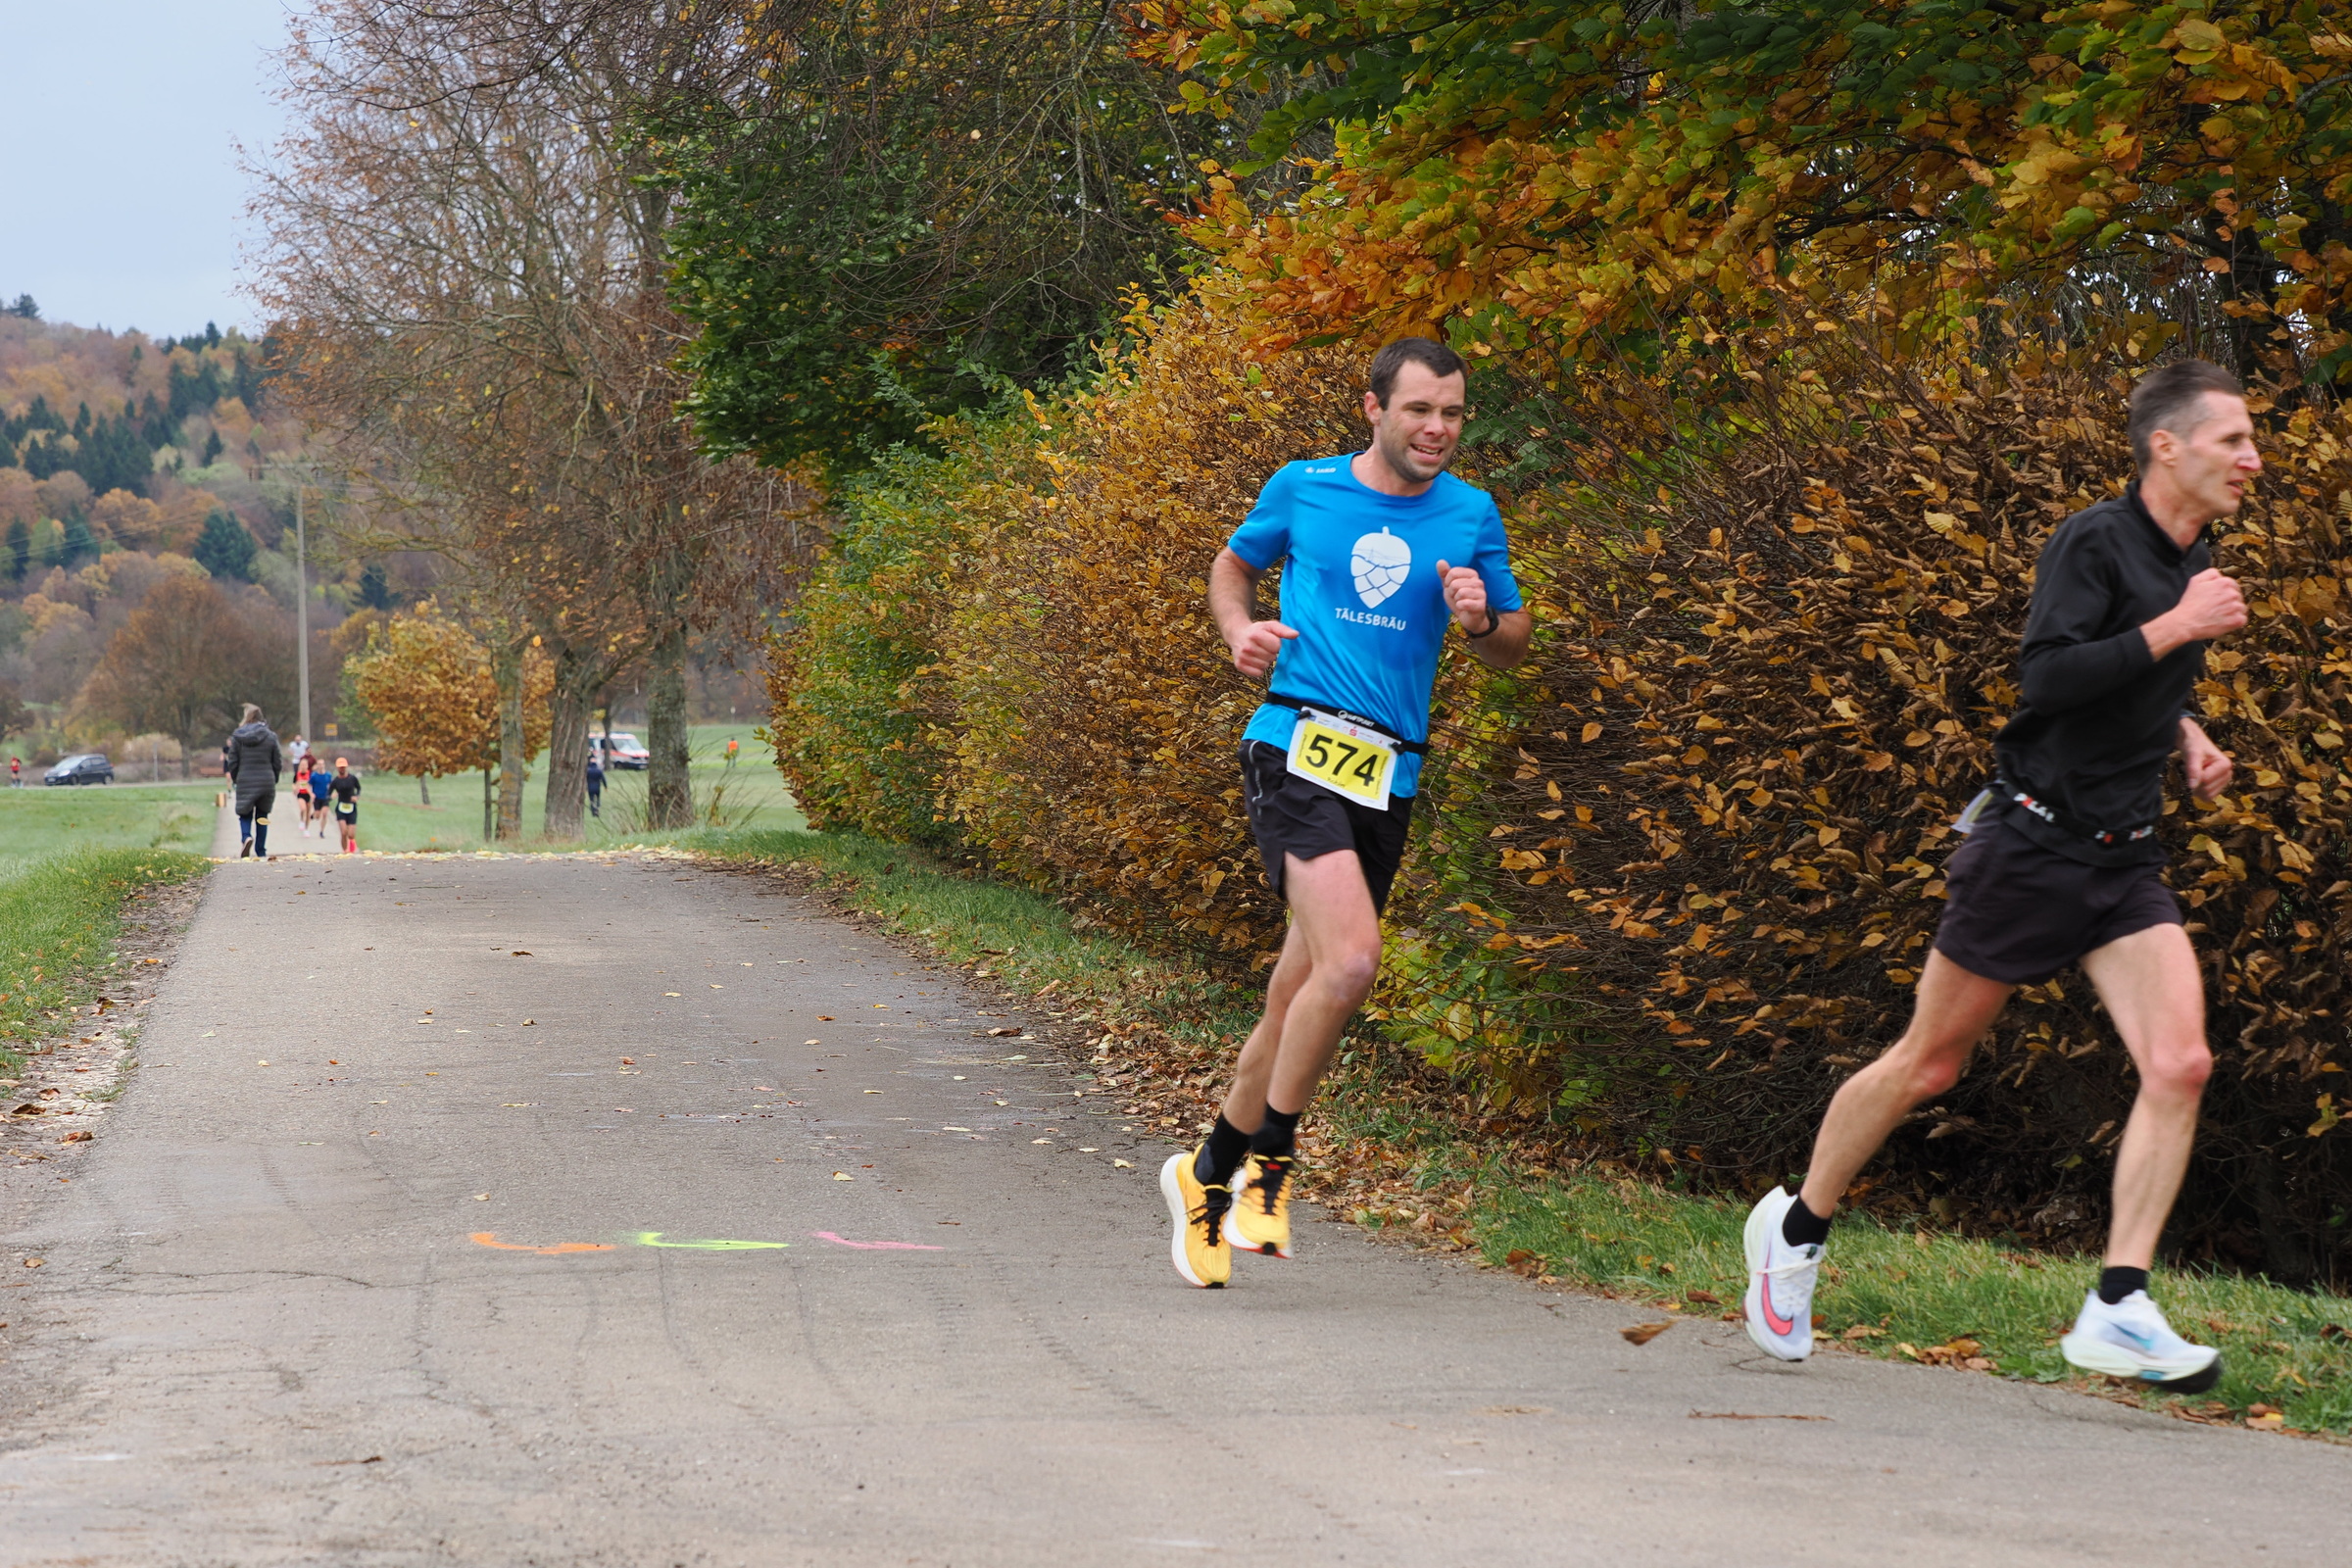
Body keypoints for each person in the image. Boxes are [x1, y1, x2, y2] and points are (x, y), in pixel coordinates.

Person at [1741, 359, 2260, 1392]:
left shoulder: (2193, 556)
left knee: (2182, 1063)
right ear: (2167, 447)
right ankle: (1795, 1231)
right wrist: (2180, 626)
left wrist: (2187, 735)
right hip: (2030, 844)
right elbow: (2049, 676)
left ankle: (2119, 1305)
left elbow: (2132, 684)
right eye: (2232, 439)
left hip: (2123, 858)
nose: (2252, 458)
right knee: (1930, 1065)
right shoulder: (2095, 540)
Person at [1162, 338, 1531, 1288]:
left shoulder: (1471, 514)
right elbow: (1231, 568)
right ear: (1374, 409)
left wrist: (1481, 620)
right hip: (1294, 742)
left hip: (1388, 775)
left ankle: (1205, 1172)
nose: (1437, 429)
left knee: (1297, 994)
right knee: (1355, 960)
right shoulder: (1307, 487)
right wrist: (1240, 630)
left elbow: (1511, 644)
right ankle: (1271, 1170)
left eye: (1452, 413)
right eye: (1419, 410)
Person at [226, 705, 285, 859]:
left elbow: (232, 761)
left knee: (244, 813)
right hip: (266, 779)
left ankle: (246, 837)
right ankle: (261, 850)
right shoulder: (270, 736)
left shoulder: (238, 736)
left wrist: (236, 778)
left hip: (245, 778)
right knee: (262, 815)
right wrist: (274, 777)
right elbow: (277, 761)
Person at [327, 758, 361, 854]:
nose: (342, 769)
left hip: (351, 807)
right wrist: (331, 797)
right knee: (343, 832)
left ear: (346, 767)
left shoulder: (352, 778)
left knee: (351, 834)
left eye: (343, 767)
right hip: (341, 808)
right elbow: (328, 794)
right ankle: (345, 851)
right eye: (340, 767)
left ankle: (352, 846)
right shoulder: (335, 781)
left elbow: (358, 788)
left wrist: (356, 796)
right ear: (337, 768)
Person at [293, 752, 317, 834]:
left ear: (307, 766)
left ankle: (306, 829)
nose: (303, 766)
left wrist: (312, 793)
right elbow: (294, 783)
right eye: (302, 765)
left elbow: (312, 784)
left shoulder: (311, 774)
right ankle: (301, 820)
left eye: (305, 765)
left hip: (308, 794)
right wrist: (295, 789)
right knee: (303, 808)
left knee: (308, 813)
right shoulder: (297, 774)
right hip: (301, 794)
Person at [310, 758, 333, 837]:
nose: (321, 766)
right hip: (317, 797)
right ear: (317, 766)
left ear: (324, 765)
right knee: (317, 816)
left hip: (325, 797)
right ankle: (314, 814)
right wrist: (311, 794)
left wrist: (331, 794)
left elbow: (331, 785)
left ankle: (322, 831)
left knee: (325, 814)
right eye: (319, 764)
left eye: (322, 764)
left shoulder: (328, 775)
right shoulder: (314, 776)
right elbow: (309, 785)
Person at [586, 753, 605, 818]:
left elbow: (586, 779)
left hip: (590, 786)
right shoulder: (599, 771)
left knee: (591, 799)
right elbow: (603, 779)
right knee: (597, 798)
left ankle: (593, 810)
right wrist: (605, 786)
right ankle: (597, 808)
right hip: (597, 787)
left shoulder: (588, 771)